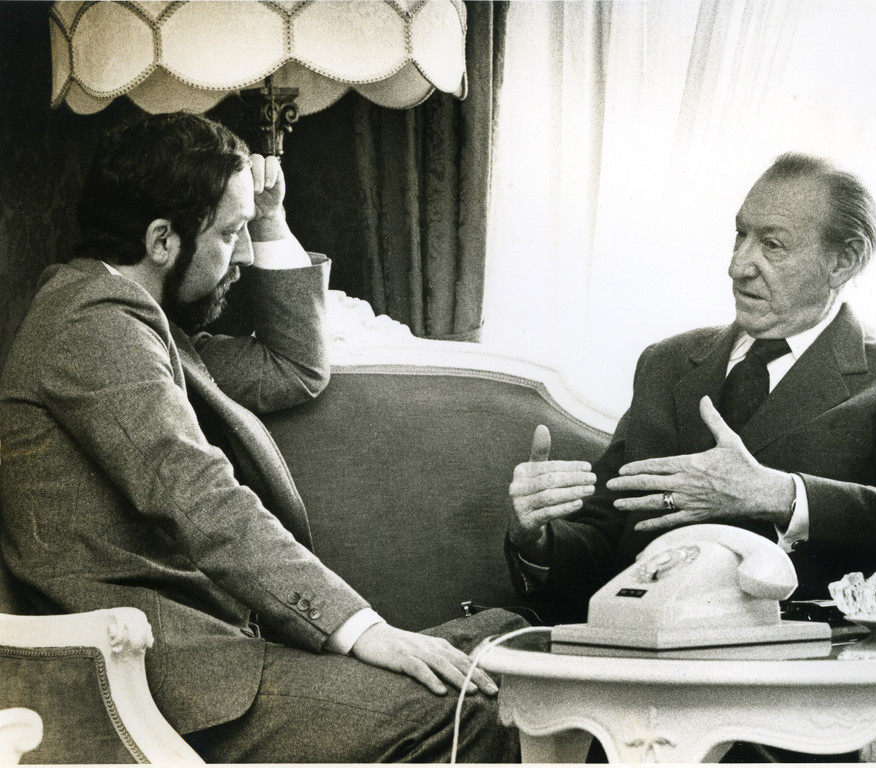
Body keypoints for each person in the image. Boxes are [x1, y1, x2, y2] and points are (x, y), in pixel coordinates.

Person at [0, 114, 522, 763]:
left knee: (511, 642)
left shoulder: (141, 323)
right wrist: (361, 629)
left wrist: (269, 216)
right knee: (483, 710)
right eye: (230, 233)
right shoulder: (93, 327)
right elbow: (199, 495)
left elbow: (294, 367)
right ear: (162, 239)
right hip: (172, 683)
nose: (243, 255)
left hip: (218, 651)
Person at [505, 152, 876, 625]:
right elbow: (607, 550)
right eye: (740, 234)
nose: (738, 265)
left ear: (843, 262)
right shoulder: (666, 364)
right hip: (650, 652)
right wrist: (537, 539)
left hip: (805, 660)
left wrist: (780, 495)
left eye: (772, 245)